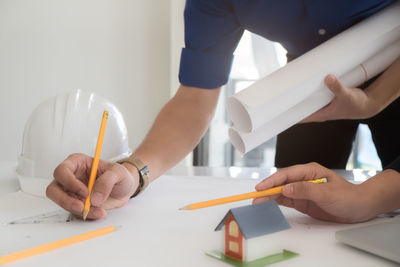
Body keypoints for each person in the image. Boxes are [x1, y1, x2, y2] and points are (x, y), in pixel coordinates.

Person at [46, 0, 400, 221]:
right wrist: (134, 172)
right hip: (308, 81)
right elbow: (195, 97)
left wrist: (378, 99)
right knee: (297, 211)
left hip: (394, 59)